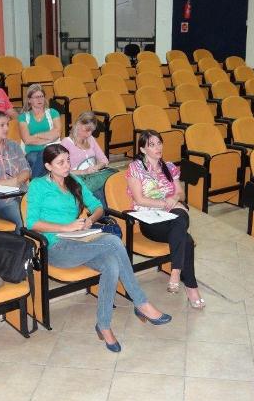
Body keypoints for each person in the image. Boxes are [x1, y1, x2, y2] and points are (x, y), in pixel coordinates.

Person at [26, 144, 171, 352]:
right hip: (56, 246)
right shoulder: (38, 185)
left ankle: (103, 326)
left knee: (111, 263)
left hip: (81, 239)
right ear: (48, 166)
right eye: (61, 162)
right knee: (112, 242)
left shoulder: (73, 181)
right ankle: (141, 303)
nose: (67, 166)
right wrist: (65, 227)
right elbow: (31, 223)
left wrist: (89, 220)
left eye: (68, 160)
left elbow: (97, 207)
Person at [126, 130, 205, 309]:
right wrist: (165, 203)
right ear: (143, 149)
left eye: (159, 143)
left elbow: (181, 193)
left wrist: (175, 199)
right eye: (152, 144)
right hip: (150, 220)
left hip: (172, 214)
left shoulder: (169, 167)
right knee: (187, 239)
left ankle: (176, 272)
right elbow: (139, 199)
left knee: (180, 217)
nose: (158, 147)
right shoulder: (135, 168)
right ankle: (190, 286)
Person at [61, 111, 112, 206]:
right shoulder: (66, 143)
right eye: (87, 130)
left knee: (108, 188)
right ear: (78, 124)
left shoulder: (91, 139)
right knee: (99, 194)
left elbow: (104, 160)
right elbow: (62, 170)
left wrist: (96, 167)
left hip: (93, 176)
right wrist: (84, 172)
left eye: (91, 131)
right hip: (75, 178)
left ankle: (106, 216)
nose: (89, 134)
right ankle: (105, 217)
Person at [18, 84, 61, 178]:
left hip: (51, 150)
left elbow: (57, 133)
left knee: (44, 155)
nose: (39, 99)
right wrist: (48, 139)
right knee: (35, 158)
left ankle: (34, 184)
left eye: (41, 96)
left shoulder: (53, 113)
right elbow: (27, 140)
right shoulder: (23, 117)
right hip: (32, 151)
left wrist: (36, 135)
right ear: (29, 100)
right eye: (36, 97)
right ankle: (42, 185)